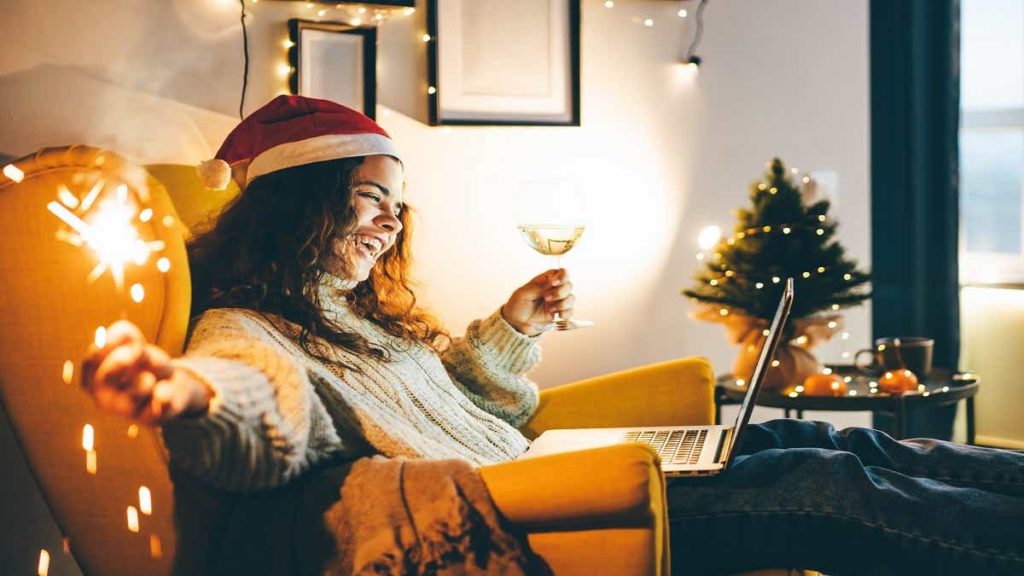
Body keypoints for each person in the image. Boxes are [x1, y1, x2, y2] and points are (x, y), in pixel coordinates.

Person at [81, 95, 1024, 576]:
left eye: (395, 208)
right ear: (292, 206)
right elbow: (264, 406)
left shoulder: (349, 310)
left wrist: (509, 329)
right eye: (369, 198)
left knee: (826, 436)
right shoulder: (245, 330)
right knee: (824, 483)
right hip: (542, 506)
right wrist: (189, 395)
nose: (385, 224)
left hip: (546, 457)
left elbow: (447, 398)